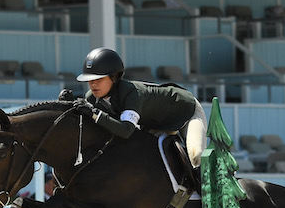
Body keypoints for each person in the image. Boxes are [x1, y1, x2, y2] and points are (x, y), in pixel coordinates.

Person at [71, 47, 207, 169]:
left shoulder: (131, 93)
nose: (93, 85)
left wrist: (95, 114)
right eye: (90, 80)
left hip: (186, 110)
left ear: (113, 77)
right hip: (155, 123)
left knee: (197, 155)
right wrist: (68, 104)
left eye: (98, 80)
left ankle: (208, 195)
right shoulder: (92, 97)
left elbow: (125, 130)